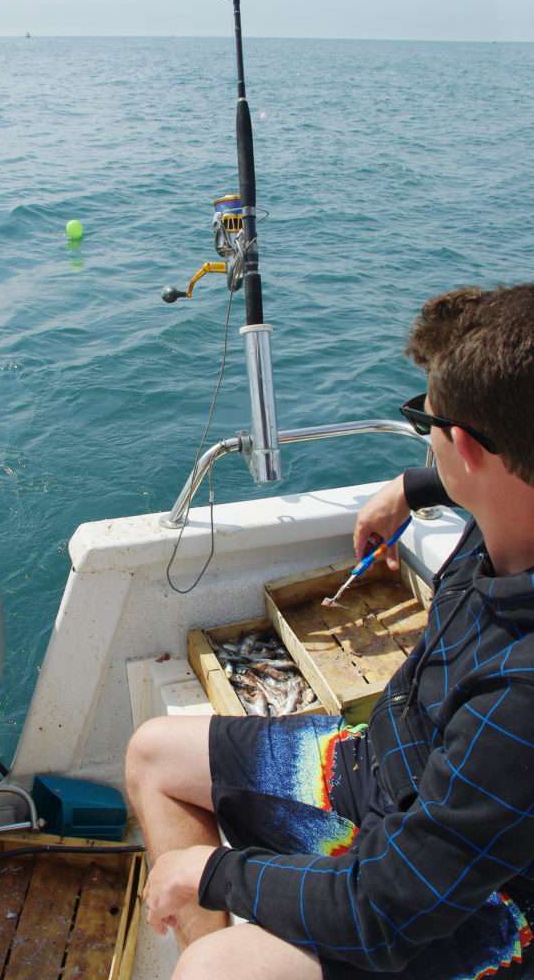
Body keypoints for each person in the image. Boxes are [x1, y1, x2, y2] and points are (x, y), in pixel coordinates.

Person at [126, 282, 534, 980]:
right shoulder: (508, 514)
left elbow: (386, 908)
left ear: (463, 447)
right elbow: (495, 459)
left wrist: (216, 875)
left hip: (478, 912)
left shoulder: (519, 696)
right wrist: (412, 486)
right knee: (153, 757)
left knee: (216, 971)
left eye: (423, 423)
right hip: (378, 774)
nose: (423, 438)